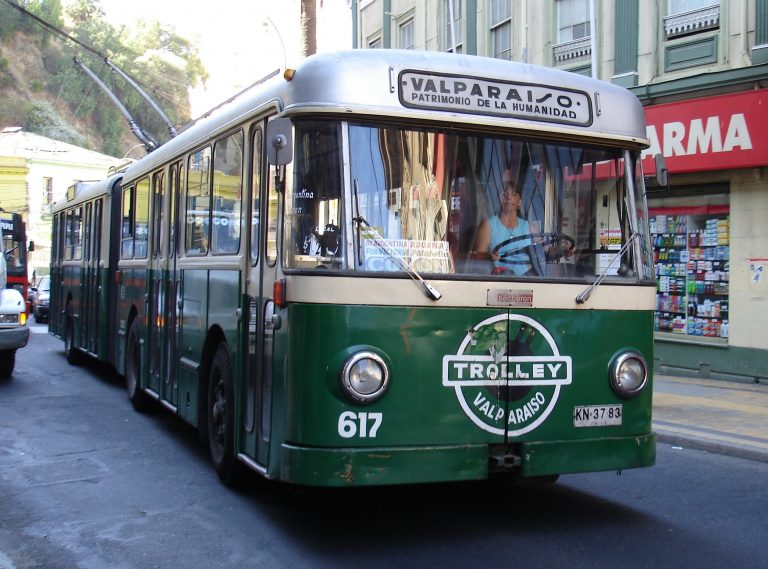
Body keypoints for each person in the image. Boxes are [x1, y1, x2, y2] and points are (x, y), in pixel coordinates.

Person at [473, 179, 534, 275]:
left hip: (530, 280)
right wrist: (489, 256)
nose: (508, 197)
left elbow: (541, 253)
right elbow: (479, 255)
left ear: (519, 202)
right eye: (504, 194)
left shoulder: (530, 227)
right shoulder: (488, 225)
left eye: (513, 195)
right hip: (500, 279)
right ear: (499, 199)